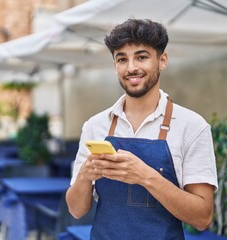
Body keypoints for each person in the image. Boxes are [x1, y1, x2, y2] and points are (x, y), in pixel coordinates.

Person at [66, 18, 218, 240]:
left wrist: (146, 176)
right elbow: (76, 210)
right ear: (115, 65)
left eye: (142, 57)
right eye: (122, 59)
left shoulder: (192, 127)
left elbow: (203, 218)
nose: (131, 68)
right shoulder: (95, 126)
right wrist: (85, 176)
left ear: (162, 60)